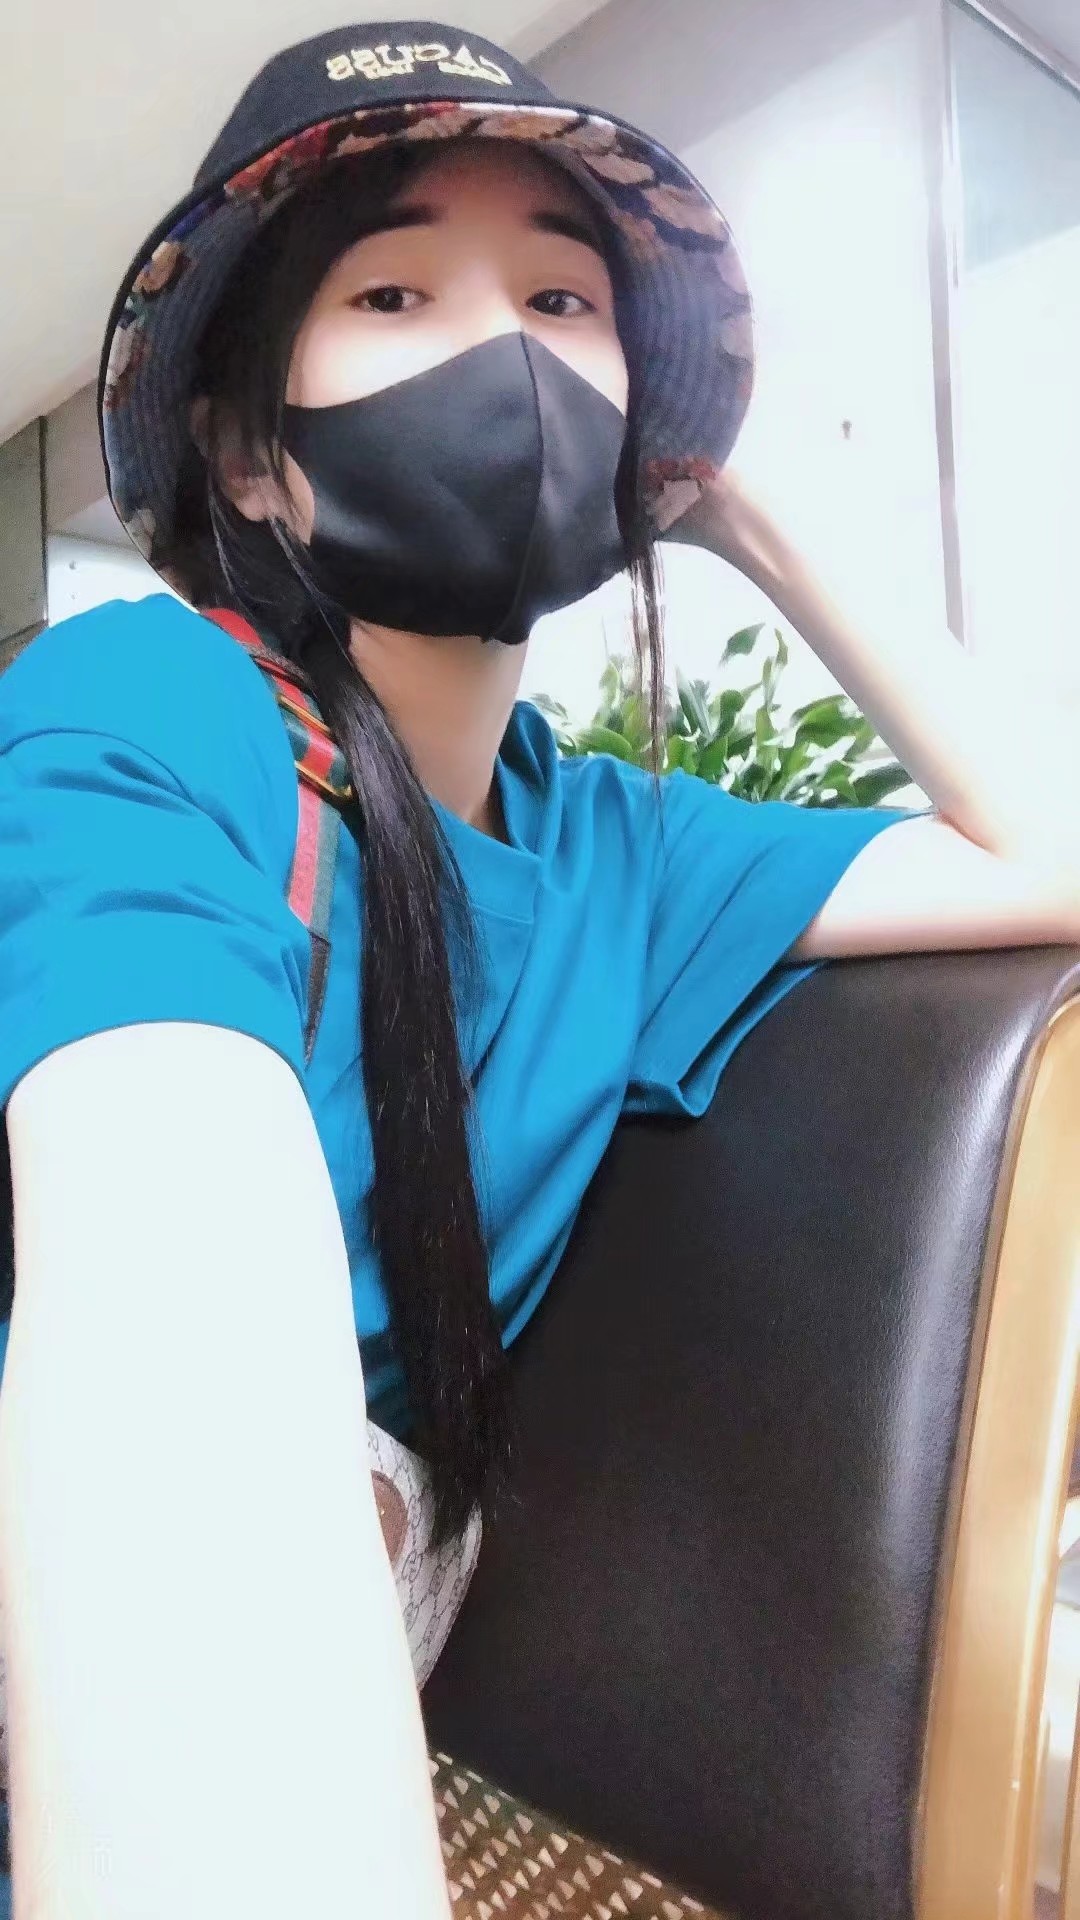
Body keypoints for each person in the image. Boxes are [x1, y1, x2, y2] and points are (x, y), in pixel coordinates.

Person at [0, 19, 1076, 1920]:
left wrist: (757, 509)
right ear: (252, 455)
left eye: (566, 300)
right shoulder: (146, 706)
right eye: (393, 291)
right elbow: (169, 1253)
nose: (505, 355)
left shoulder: (629, 856)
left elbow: (1047, 858)